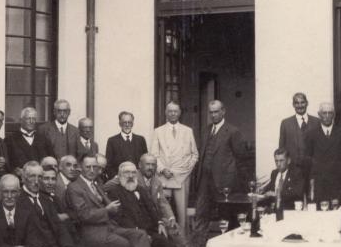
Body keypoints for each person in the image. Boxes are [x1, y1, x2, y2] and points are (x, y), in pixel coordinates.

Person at [66, 155, 163, 247]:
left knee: (140, 234)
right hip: (92, 233)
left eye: (95, 167)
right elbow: (84, 215)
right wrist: (107, 210)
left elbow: (113, 206)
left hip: (109, 227)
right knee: (130, 246)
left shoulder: (95, 184)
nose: (92, 170)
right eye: (88, 167)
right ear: (80, 168)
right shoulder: (74, 188)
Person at [104, 162, 176, 247]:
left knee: (168, 244)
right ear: (119, 175)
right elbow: (120, 217)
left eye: (133, 172)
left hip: (149, 228)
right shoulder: (114, 192)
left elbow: (152, 208)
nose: (131, 176)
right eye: (127, 173)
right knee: (154, 244)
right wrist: (137, 230)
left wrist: (159, 222)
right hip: (132, 231)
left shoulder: (140, 189)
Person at [192, 100, 248, 234]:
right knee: (201, 214)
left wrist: (241, 186)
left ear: (223, 111)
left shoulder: (233, 131)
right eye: (211, 112)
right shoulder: (206, 130)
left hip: (224, 182)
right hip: (205, 180)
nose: (213, 115)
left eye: (216, 112)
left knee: (226, 216)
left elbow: (241, 159)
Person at [151, 102, 198, 237]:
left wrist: (185, 171)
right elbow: (154, 155)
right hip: (164, 177)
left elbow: (195, 155)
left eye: (175, 111)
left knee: (181, 211)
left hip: (182, 177)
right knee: (164, 210)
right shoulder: (158, 131)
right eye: (170, 111)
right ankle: (167, 241)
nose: (172, 114)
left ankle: (183, 242)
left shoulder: (187, 131)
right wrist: (162, 169)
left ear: (180, 113)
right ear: (166, 113)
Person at [305, 101, 341, 202]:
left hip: (337, 182)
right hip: (319, 183)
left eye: (330, 113)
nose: (327, 116)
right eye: (324, 113)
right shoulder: (311, 134)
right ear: (319, 115)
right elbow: (308, 159)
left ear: (334, 115)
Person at [278, 93, 319, 188]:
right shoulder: (285, 123)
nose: (300, 105)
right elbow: (281, 148)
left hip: (313, 169)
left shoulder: (317, 122)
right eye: (297, 103)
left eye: (302, 102)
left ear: (307, 103)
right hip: (293, 170)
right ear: (293, 105)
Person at [7, 107, 53, 175]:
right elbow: (7, 163)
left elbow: (51, 159)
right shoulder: (10, 139)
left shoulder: (44, 139)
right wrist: (14, 171)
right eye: (28, 118)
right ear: (21, 120)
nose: (31, 121)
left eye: (33, 119)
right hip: (20, 179)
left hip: (40, 179)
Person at [104, 112, 148, 180]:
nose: (127, 125)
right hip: (119, 180)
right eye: (124, 122)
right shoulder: (112, 141)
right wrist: (116, 177)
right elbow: (108, 164)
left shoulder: (140, 140)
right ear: (120, 124)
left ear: (133, 124)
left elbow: (145, 161)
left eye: (129, 122)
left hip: (138, 179)